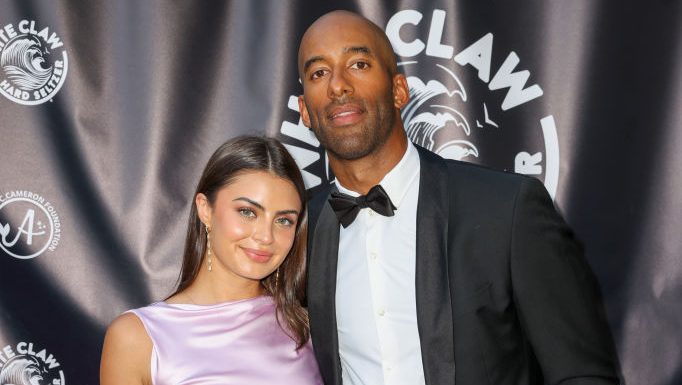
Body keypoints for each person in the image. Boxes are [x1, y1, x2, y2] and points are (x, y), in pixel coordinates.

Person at [297, 10, 620, 385]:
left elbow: (581, 374)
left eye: (358, 64)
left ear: (399, 90)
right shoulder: (300, 230)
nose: (338, 86)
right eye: (318, 73)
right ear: (305, 110)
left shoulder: (508, 209)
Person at [100, 136, 322, 385]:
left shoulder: (307, 326)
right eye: (248, 212)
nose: (265, 236)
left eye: (283, 220)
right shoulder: (138, 337)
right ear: (205, 209)